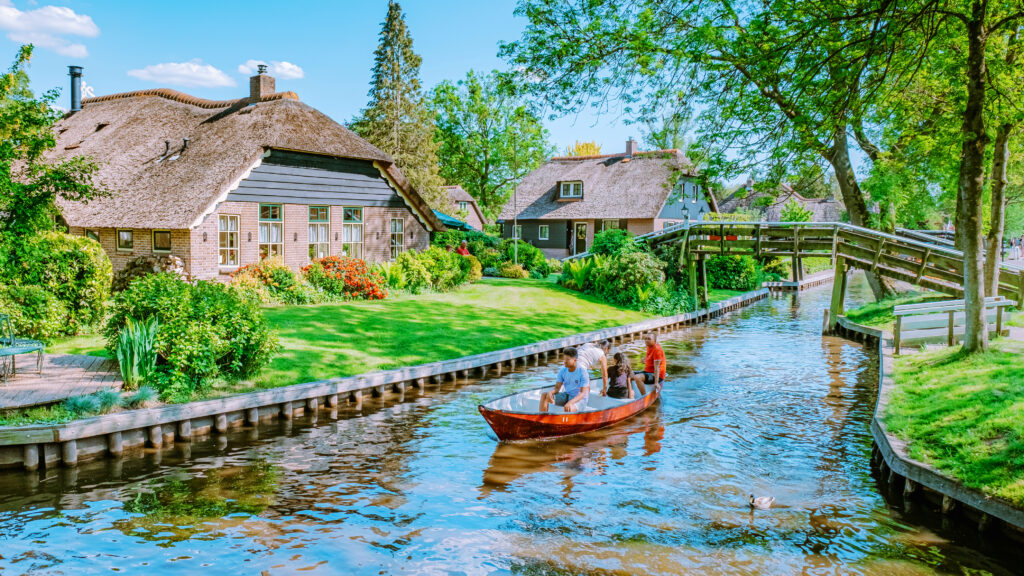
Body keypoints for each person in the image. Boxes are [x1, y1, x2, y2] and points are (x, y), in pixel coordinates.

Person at [539, 347, 590, 412]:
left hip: (579, 400)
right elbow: (557, 388)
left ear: (575, 360)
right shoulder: (563, 370)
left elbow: (582, 394)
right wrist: (550, 392)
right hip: (567, 395)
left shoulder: (582, 372)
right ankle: (542, 419)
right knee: (544, 395)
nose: (564, 362)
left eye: (567, 359)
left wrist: (570, 403)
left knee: (569, 407)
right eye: (564, 359)